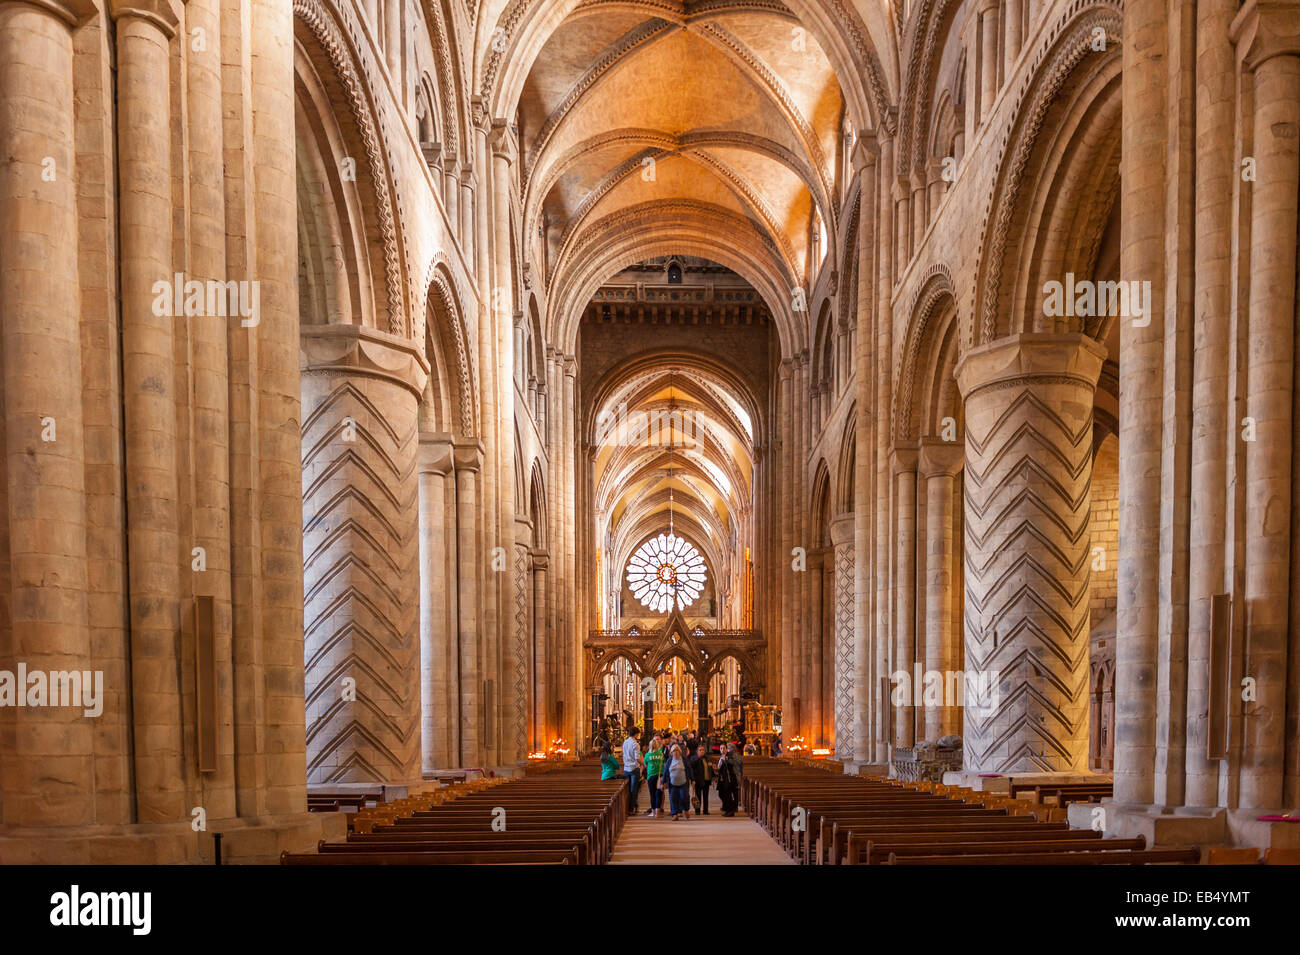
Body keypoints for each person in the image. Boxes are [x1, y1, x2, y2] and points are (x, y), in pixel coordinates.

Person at [663, 743, 691, 821]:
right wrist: (663, 782)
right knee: (673, 798)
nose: (675, 753)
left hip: (683, 783)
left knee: (684, 797)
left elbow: (689, 769)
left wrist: (693, 779)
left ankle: (686, 809)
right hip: (672, 784)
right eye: (673, 751)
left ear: (680, 752)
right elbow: (665, 772)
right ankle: (674, 814)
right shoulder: (669, 761)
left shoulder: (684, 759)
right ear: (671, 753)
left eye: (677, 751)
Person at [622, 726, 642, 813]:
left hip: (626, 768)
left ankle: (628, 806)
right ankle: (631, 807)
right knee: (634, 789)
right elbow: (637, 758)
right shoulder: (635, 744)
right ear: (636, 734)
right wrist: (643, 764)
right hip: (634, 768)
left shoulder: (625, 742)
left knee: (627, 788)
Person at [716, 742, 740, 816]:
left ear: (727, 749)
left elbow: (733, 764)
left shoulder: (730, 756)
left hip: (730, 779)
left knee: (728, 795)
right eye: (721, 748)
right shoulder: (722, 757)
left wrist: (725, 760)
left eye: (724, 748)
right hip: (723, 779)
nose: (722, 750)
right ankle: (728, 808)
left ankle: (730, 810)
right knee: (721, 794)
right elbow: (720, 767)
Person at [688, 741, 712, 814]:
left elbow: (709, 768)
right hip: (698, 780)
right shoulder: (694, 758)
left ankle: (705, 810)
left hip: (706, 779)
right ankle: (697, 811)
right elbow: (691, 768)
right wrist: (692, 779)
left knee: (706, 796)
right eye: (700, 750)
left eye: (703, 750)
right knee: (698, 796)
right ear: (697, 751)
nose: (702, 751)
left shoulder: (707, 758)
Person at [644, 737, 666, 817]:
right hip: (660, 776)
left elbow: (645, 765)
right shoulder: (661, 754)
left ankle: (653, 812)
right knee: (659, 794)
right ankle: (658, 812)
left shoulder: (647, 755)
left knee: (652, 794)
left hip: (651, 776)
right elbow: (664, 763)